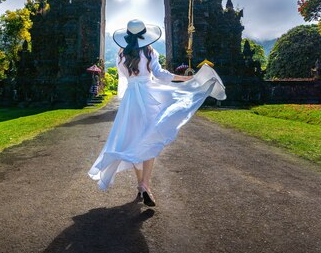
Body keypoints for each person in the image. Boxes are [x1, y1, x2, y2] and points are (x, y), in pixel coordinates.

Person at [88, 19, 226, 206]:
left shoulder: (121, 55)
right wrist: (186, 79)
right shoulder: (149, 51)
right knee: (150, 139)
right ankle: (145, 185)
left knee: (134, 140)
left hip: (131, 101)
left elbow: (124, 77)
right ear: (144, 35)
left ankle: (139, 184)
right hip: (149, 97)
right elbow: (161, 75)